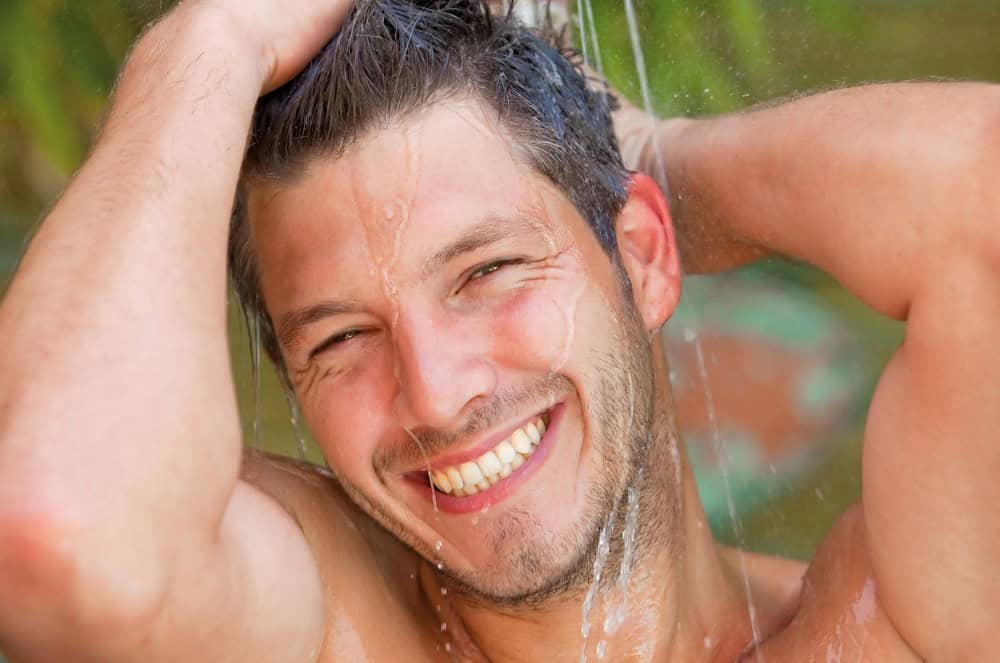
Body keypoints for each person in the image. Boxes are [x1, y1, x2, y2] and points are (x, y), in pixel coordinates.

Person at [0, 0, 996, 661]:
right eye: (341, 339)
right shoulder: (323, 627)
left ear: (643, 256)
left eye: (486, 272)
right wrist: (209, 44)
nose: (435, 393)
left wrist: (649, 158)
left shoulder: (882, 628)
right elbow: (63, 530)